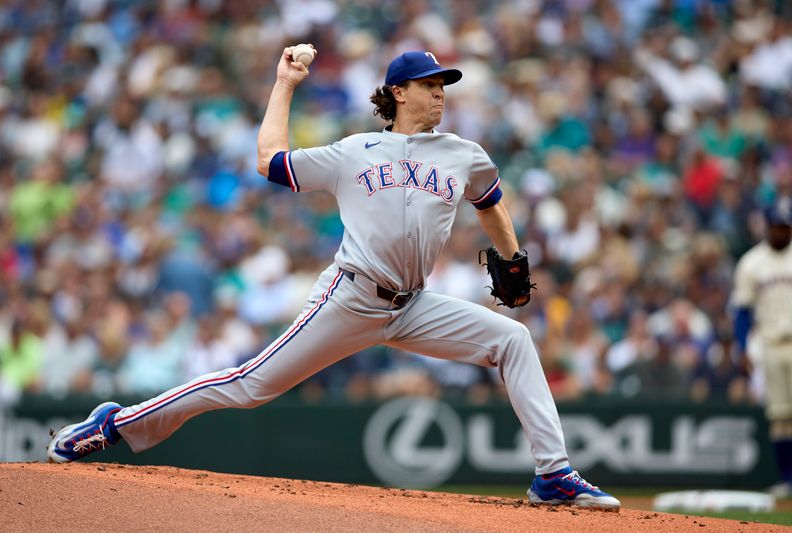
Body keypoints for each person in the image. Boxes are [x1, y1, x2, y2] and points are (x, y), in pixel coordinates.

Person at [47, 47, 619, 510]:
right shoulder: (355, 151)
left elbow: (489, 201)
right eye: (428, 83)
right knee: (250, 387)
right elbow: (270, 160)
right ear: (398, 91)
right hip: (350, 296)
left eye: (444, 82)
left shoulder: (463, 153)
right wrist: (285, 83)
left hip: (413, 305)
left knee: (512, 339)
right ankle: (116, 423)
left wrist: (513, 256)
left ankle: (554, 475)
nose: (440, 91)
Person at [732, 199, 792, 497]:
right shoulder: (752, 262)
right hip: (771, 343)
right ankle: (786, 479)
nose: (781, 232)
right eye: (777, 226)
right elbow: (742, 311)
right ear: (767, 227)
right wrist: (742, 348)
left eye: (785, 226)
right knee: (780, 416)